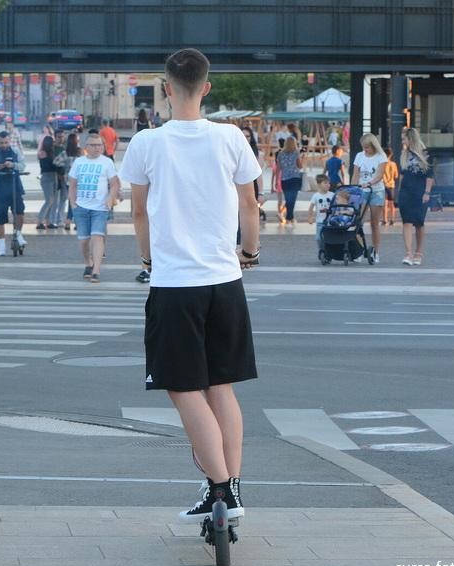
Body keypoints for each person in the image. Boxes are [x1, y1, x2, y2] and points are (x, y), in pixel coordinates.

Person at [120, 48, 260, 524]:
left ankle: (219, 489)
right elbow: (249, 204)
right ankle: (231, 487)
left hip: (175, 282)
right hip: (225, 279)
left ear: (166, 88)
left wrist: (148, 259)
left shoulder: (146, 143)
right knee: (221, 386)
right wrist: (249, 253)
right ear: (207, 87)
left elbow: (139, 212)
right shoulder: (231, 137)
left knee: (182, 388)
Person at [68, 133, 120, 283]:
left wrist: (110, 199)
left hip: (100, 208)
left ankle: (96, 270)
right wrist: (73, 203)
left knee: (97, 236)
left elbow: (114, 183)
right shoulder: (79, 162)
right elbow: (72, 185)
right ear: (86, 147)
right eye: (93, 145)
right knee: (84, 240)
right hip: (81, 207)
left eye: (99, 145)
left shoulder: (107, 162)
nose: (97, 148)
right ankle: (88, 264)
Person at [0, 131, 27, 256]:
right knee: (0, 217)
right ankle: (1, 245)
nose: (4, 145)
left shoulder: (16, 152)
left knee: (20, 212)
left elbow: (23, 165)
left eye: (6, 142)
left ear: (9, 141)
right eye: (1, 143)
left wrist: (12, 165)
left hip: (15, 187)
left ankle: (18, 234)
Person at [399, 128, 435, 266]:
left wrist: (427, 192)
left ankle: (418, 253)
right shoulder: (404, 154)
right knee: (406, 222)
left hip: (420, 192)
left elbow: (430, 176)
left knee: (419, 222)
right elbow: (402, 175)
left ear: (411, 138)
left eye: (404, 139)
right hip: (406, 192)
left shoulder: (426, 154)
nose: (403, 141)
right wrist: (398, 192)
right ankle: (408, 253)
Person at [351, 133, 388, 262]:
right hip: (361, 190)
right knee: (357, 221)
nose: (365, 150)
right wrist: (353, 189)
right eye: (363, 147)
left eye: (367, 147)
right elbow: (355, 174)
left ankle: (375, 252)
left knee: (374, 223)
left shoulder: (381, 156)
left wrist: (369, 183)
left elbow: (380, 175)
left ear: (374, 146)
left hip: (376, 190)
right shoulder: (359, 156)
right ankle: (358, 251)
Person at [57, 132, 82, 230]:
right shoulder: (79, 152)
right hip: (79, 180)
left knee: (71, 200)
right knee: (78, 202)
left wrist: (65, 167)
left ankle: (68, 221)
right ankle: (76, 222)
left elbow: (56, 162)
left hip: (68, 179)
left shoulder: (65, 153)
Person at [276, 136, 303, 224]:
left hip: (284, 179)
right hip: (295, 178)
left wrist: (276, 180)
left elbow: (278, 168)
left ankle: (290, 217)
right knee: (292, 199)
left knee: (288, 199)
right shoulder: (296, 153)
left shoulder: (280, 154)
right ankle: (290, 218)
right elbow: (300, 166)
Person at [36, 135, 60, 230]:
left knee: (53, 201)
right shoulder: (43, 153)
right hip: (47, 177)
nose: (53, 144)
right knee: (49, 200)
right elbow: (46, 166)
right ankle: (40, 221)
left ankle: (48, 221)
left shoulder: (52, 153)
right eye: (52, 142)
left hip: (54, 176)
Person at [307, 174, 334, 250]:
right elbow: (311, 208)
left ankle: (328, 250)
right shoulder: (316, 196)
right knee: (318, 238)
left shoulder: (332, 195)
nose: (328, 185)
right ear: (319, 184)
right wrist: (310, 217)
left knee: (330, 238)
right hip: (320, 221)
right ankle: (322, 250)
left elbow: (337, 205)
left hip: (330, 221)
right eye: (325, 183)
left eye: (329, 183)